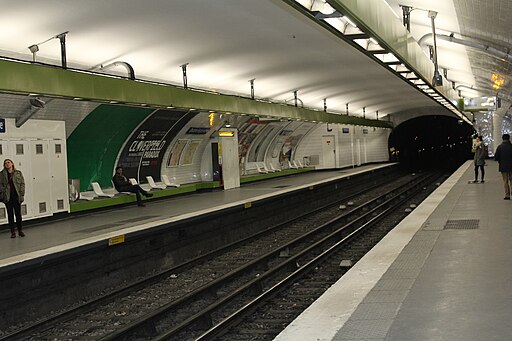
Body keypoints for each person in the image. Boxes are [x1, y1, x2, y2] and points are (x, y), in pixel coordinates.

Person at [0, 159, 26, 238]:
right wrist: (2, 194)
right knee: (10, 215)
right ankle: (12, 232)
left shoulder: (18, 173)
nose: (7, 164)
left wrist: (21, 194)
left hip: (16, 197)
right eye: (5, 163)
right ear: (4, 165)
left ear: (12, 164)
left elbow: (22, 183)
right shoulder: (1, 174)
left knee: (18, 215)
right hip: (8, 198)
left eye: (8, 162)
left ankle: (20, 230)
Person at [494, 133, 512, 200]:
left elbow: (496, 157)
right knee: (511, 180)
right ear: (509, 138)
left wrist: (500, 160)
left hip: (503, 166)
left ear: (502, 139)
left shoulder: (499, 147)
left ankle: (507, 195)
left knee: (505, 181)